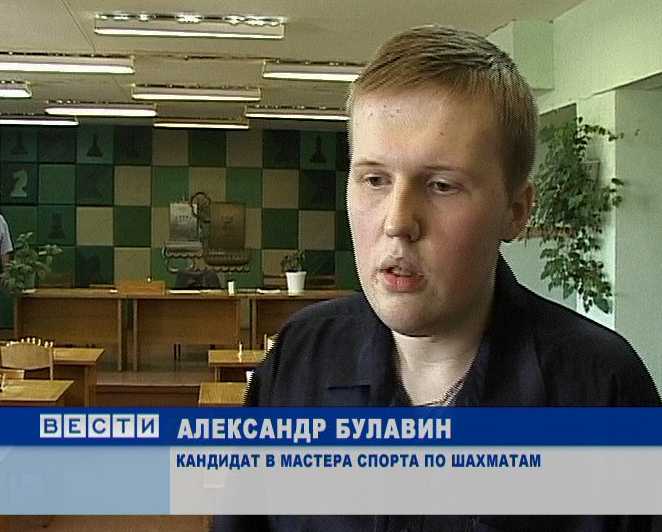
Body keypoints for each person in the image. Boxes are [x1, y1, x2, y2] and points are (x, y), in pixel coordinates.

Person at [215, 25, 660, 531]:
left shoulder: (603, 392)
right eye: (374, 179)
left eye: (442, 185)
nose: (397, 221)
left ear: (516, 211)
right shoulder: (300, 356)